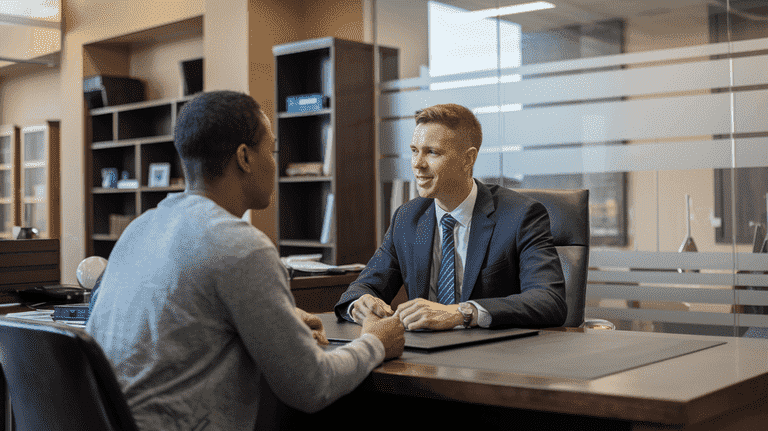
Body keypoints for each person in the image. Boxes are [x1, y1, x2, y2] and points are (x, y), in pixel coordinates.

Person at [86, 91, 405, 431]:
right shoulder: (243, 246)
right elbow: (312, 386)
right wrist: (375, 342)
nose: (274, 162)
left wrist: (275, 317)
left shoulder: (140, 228)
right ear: (244, 157)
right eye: (272, 149)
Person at [334, 103, 567, 331]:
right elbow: (363, 287)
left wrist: (462, 313)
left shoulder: (520, 215)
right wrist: (361, 303)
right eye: (414, 151)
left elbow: (549, 300)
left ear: (468, 159)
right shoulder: (407, 218)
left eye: (432, 152)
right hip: (425, 357)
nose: (417, 164)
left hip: (494, 358)